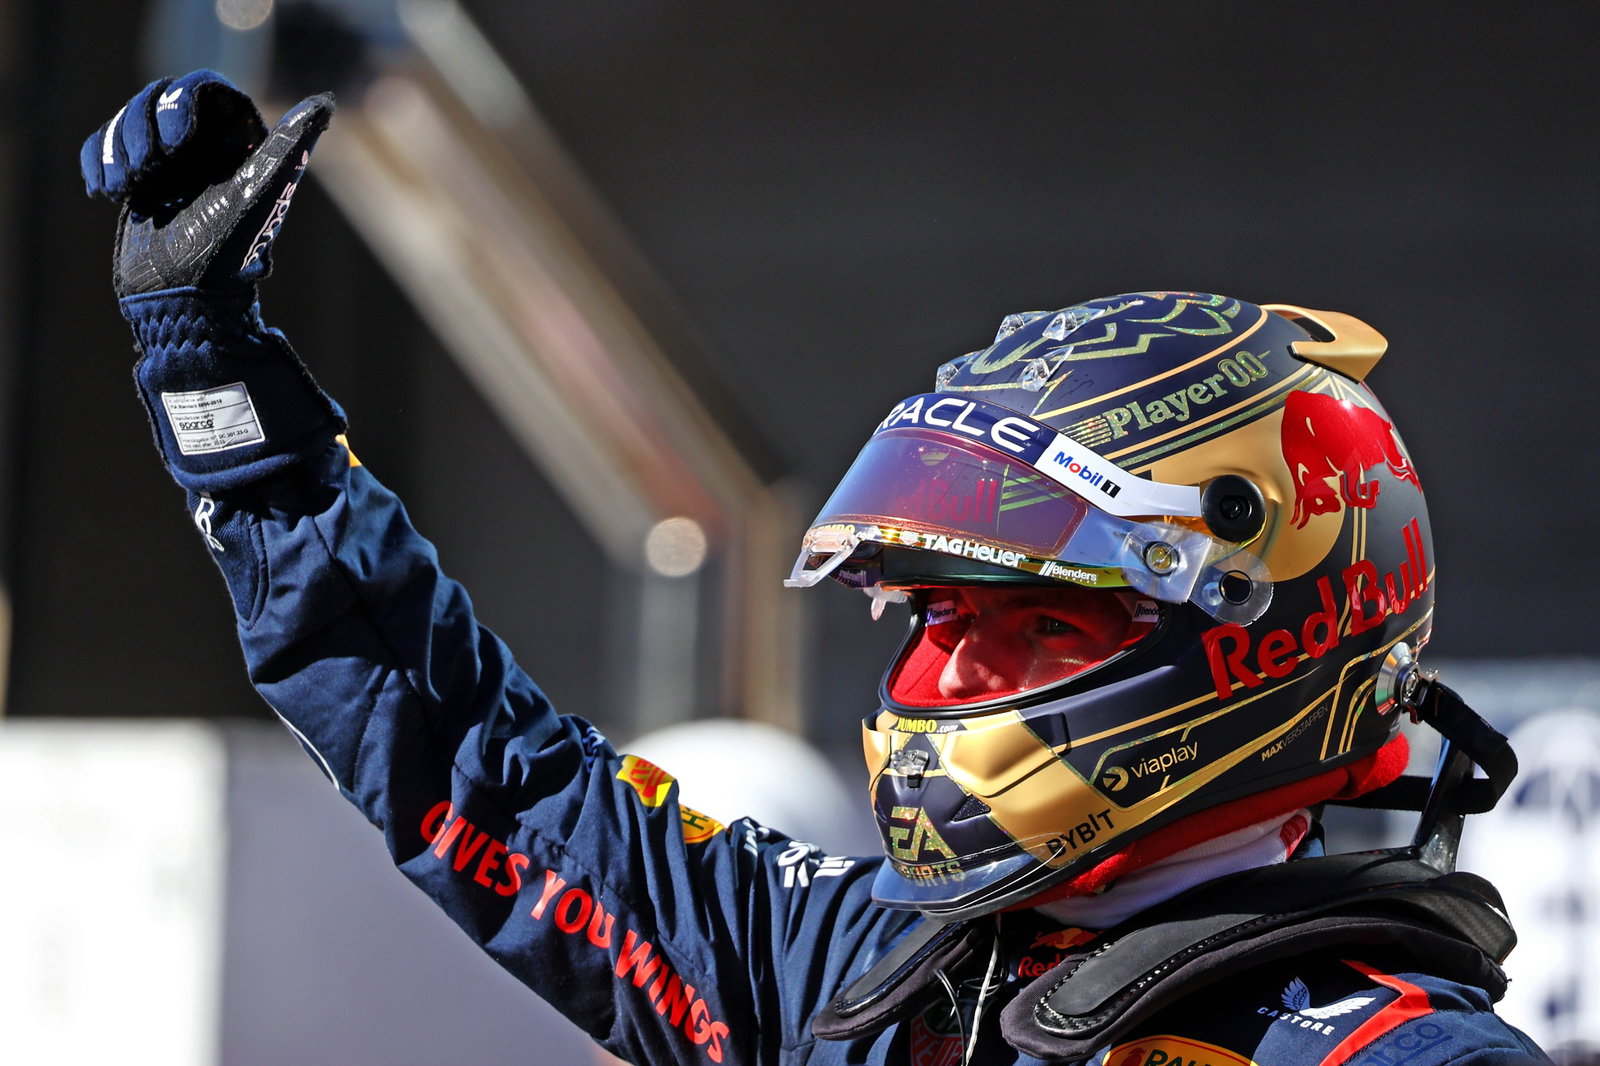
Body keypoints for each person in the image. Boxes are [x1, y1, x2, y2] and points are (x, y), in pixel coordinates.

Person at [81, 72, 1551, 1065]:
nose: (944, 678)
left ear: (1252, 635)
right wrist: (214, 376)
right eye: (933, 617)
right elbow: (472, 763)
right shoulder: (858, 968)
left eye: (1027, 623)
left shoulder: (1397, 1053)